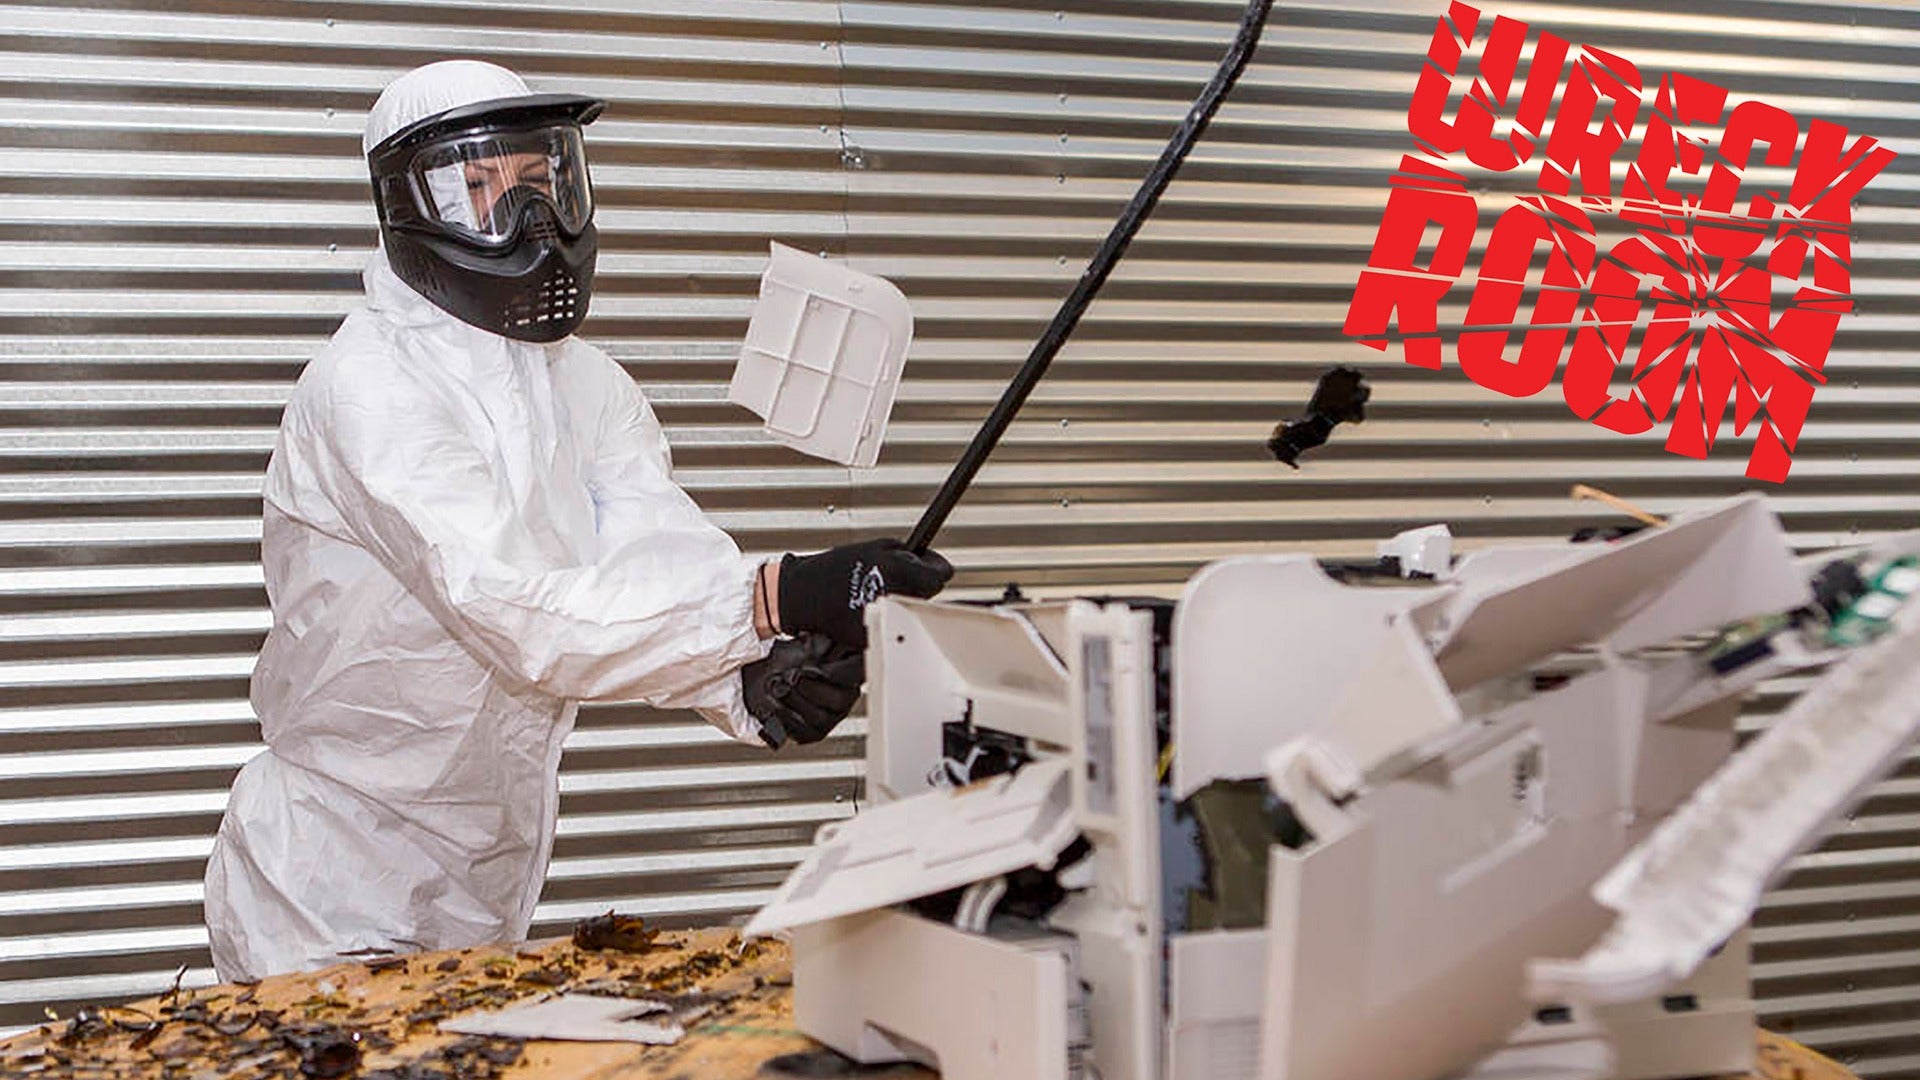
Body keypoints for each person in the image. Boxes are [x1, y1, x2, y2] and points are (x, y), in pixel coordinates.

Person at [202, 60, 952, 982]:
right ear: (407, 206)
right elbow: (518, 609)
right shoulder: (369, 387)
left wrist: (745, 679)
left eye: (541, 184)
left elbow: (648, 557)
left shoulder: (587, 384)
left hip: (489, 884)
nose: (529, 228)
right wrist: (775, 594)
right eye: (479, 191)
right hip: (326, 889)